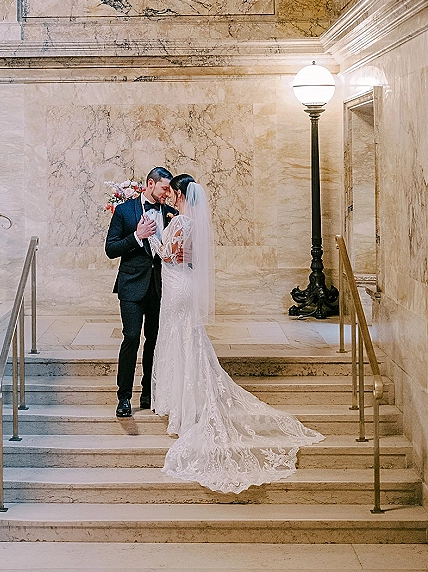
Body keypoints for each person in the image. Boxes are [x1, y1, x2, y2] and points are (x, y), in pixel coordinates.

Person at [149, 173, 324, 493]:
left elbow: (170, 255)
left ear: (180, 192)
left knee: (180, 339)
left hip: (177, 290)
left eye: (173, 191)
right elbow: (190, 256)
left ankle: (183, 407)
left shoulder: (183, 222)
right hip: (181, 287)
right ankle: (184, 400)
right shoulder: (192, 223)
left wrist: (153, 237)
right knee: (187, 341)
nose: (171, 196)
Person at [105, 166, 177, 417]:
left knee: (154, 342)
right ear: (150, 184)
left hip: (160, 288)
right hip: (131, 286)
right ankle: (124, 397)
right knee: (132, 338)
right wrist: (137, 236)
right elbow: (111, 249)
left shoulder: (171, 214)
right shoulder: (125, 211)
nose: (167, 194)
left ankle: (149, 392)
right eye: (164, 188)